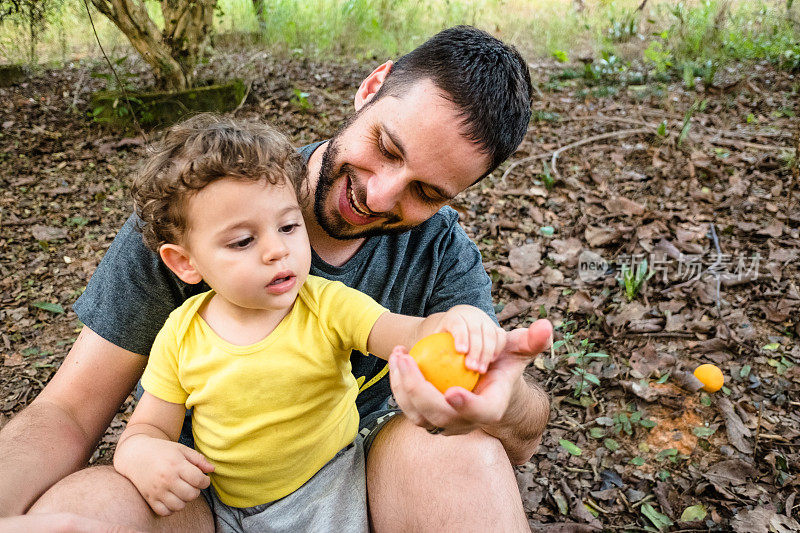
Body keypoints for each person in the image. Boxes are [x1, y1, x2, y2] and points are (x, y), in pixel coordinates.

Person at [2, 25, 552, 532]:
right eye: (385, 147)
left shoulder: (437, 252)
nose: (380, 196)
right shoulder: (202, 203)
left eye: (426, 192)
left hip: (356, 484)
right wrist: (141, 450)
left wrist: (495, 389)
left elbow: (450, 356)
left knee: (461, 451)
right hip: (212, 496)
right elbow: (71, 411)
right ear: (372, 87)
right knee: (90, 506)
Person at [112, 115, 506, 532]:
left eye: (287, 226)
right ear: (185, 262)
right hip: (229, 512)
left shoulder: (325, 304)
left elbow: (405, 333)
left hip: (336, 491)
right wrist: (141, 453)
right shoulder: (181, 333)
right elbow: (150, 425)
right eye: (243, 240)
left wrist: (454, 320)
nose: (276, 251)